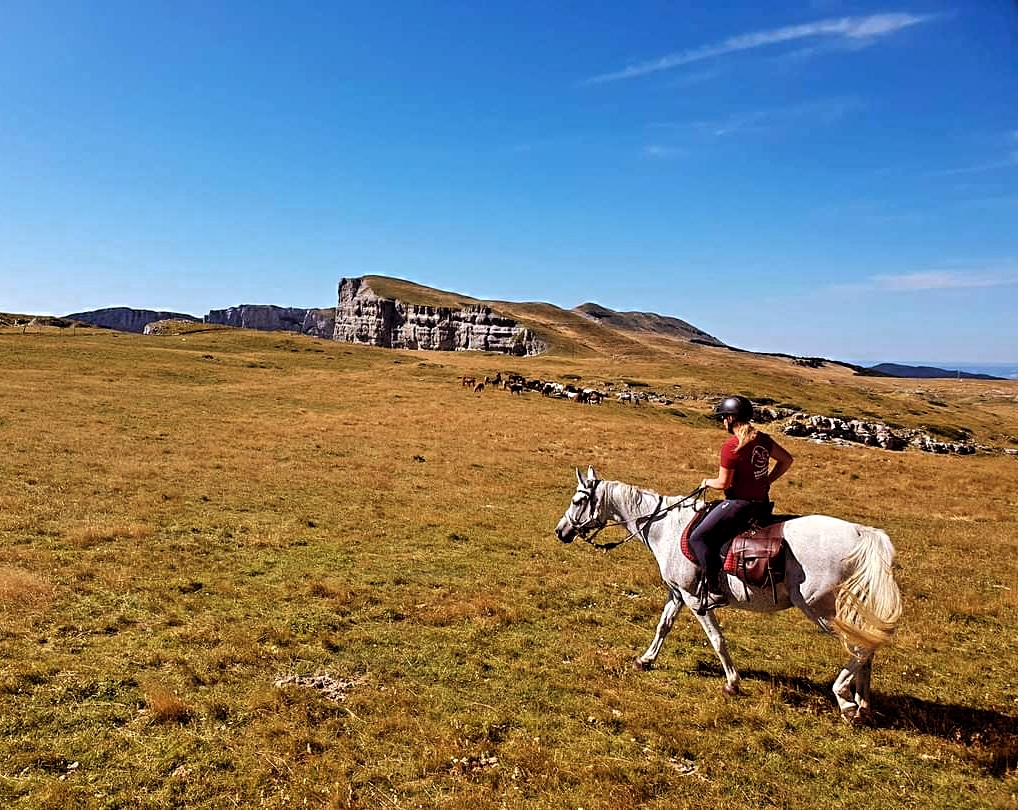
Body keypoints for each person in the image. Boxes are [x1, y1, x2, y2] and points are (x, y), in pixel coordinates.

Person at [688, 395, 794, 612]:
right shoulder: (763, 439)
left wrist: (706, 482)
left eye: (723, 417)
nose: (722, 422)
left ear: (730, 418)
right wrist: (768, 479)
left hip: (740, 506)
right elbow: (787, 460)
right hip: (762, 504)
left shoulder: (731, 446)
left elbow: (723, 482)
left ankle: (715, 591)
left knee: (698, 537)